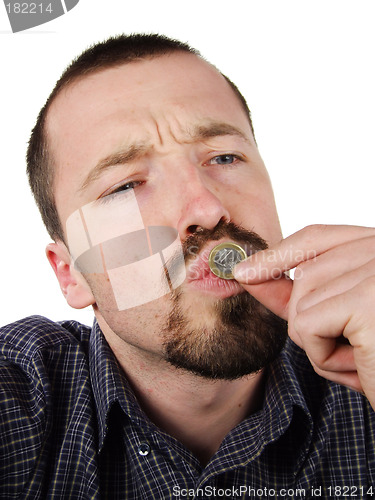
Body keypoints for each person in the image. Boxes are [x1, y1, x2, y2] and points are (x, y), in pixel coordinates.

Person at [1, 33, 375, 499]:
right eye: (125, 186)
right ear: (70, 273)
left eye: (224, 156)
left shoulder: (366, 368)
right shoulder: (18, 397)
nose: (207, 207)